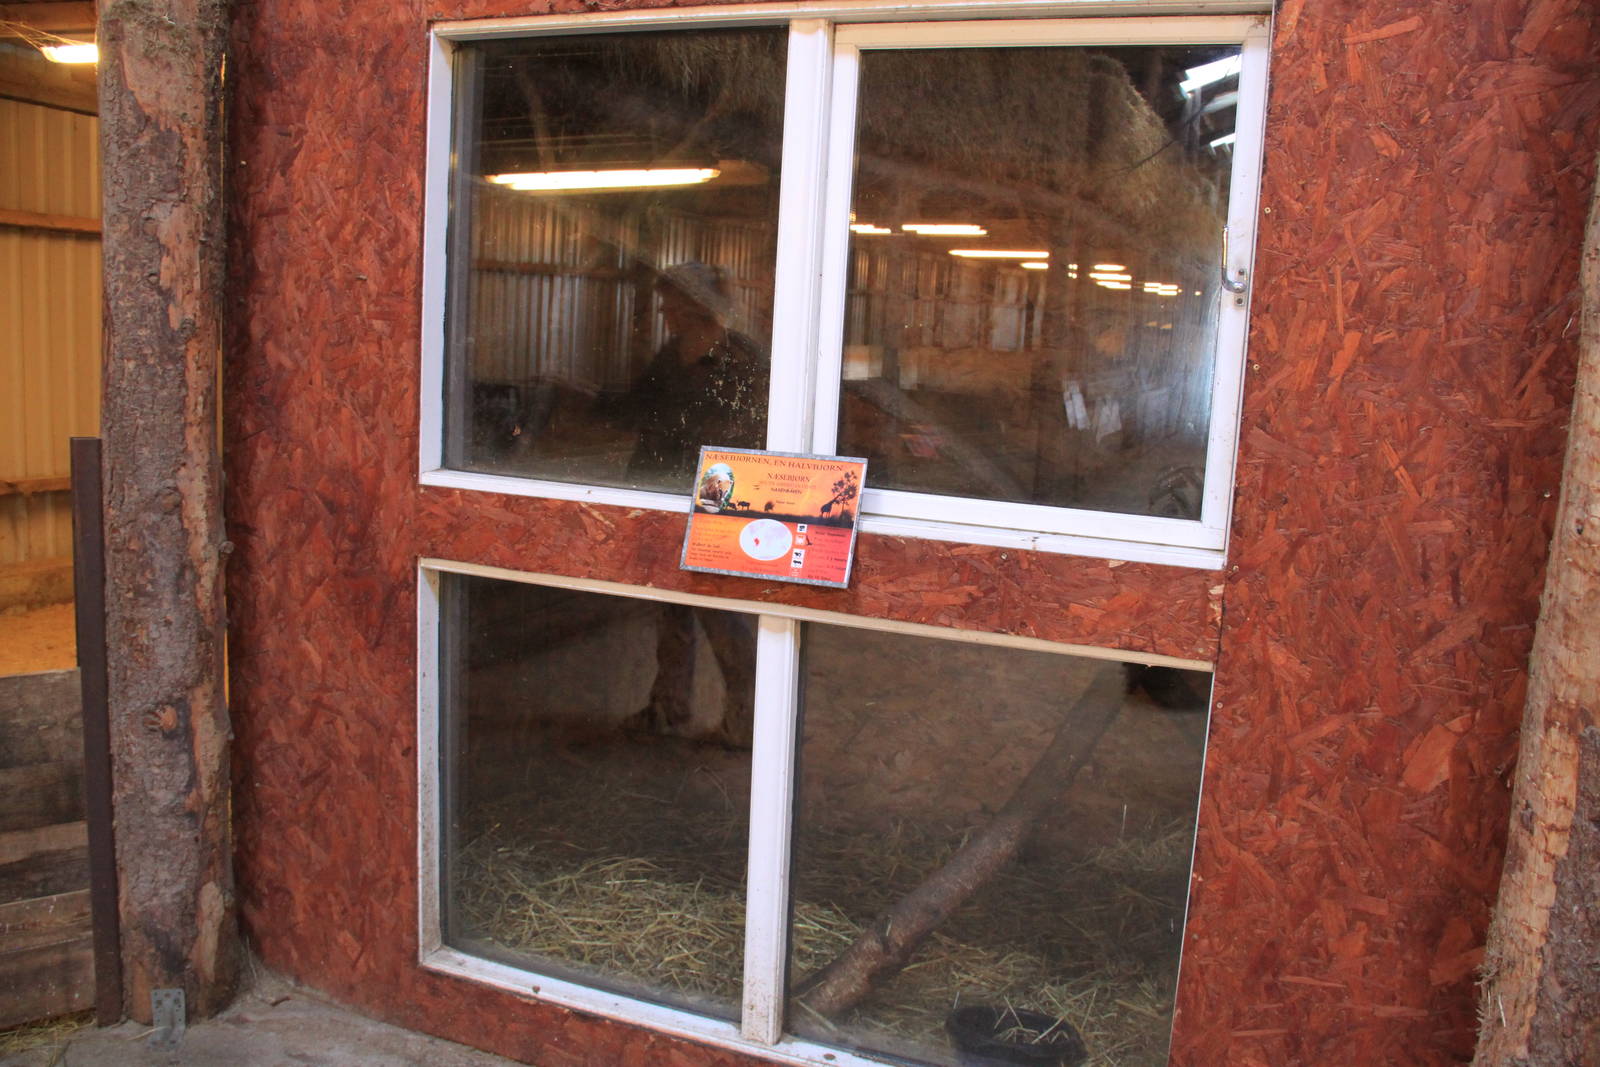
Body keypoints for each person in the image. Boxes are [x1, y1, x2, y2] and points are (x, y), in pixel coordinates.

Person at [622, 262, 768, 487]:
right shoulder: (670, 353)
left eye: (670, 305)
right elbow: (640, 405)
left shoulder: (743, 357)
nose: (663, 312)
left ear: (695, 307)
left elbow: (749, 432)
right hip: (655, 480)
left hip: (718, 481)